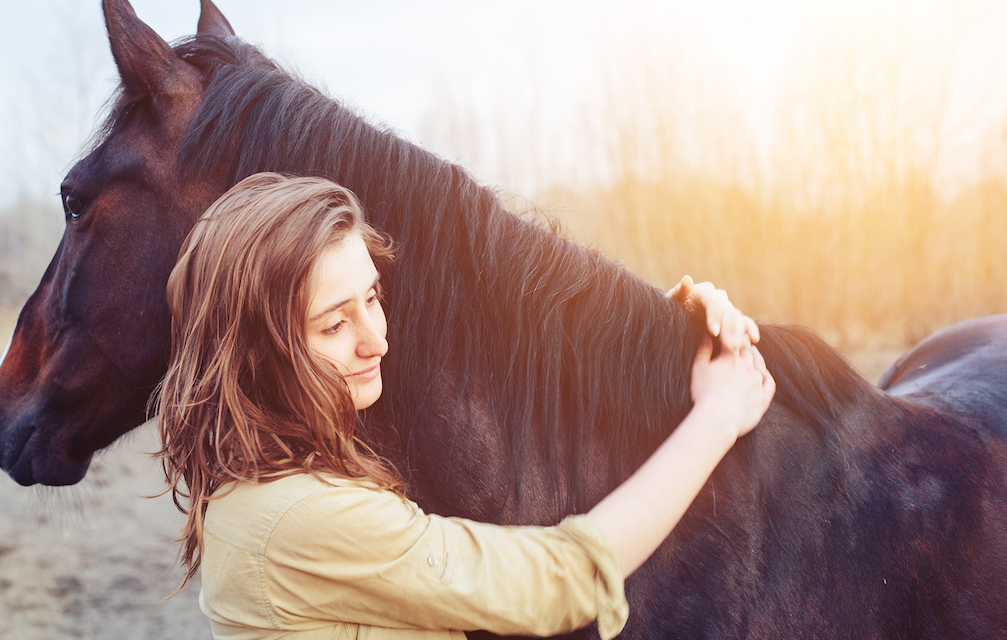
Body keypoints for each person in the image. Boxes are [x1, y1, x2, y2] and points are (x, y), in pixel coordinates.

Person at [153, 173, 775, 640]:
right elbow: (557, 582)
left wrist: (656, 351)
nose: (377, 339)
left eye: (371, 297)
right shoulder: (300, 516)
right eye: (334, 325)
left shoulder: (274, 469)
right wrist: (717, 416)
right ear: (257, 354)